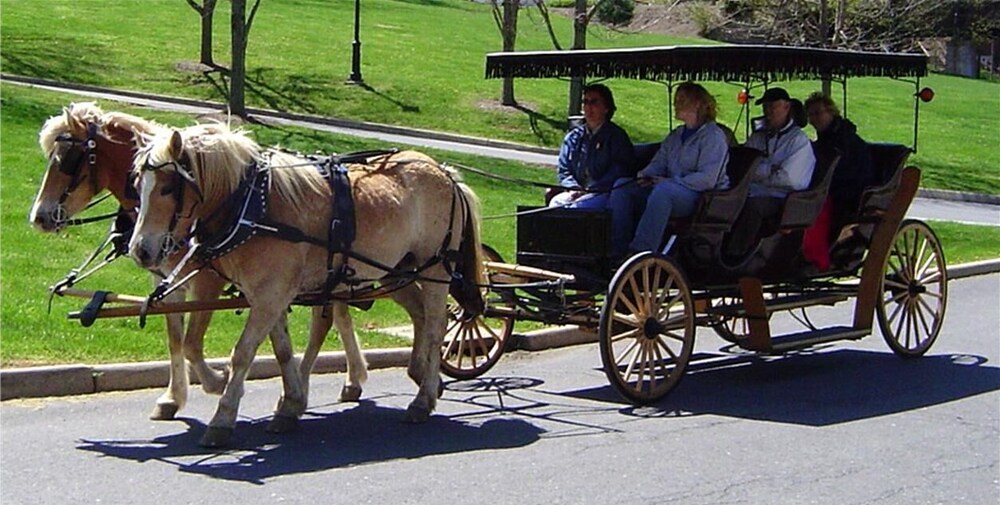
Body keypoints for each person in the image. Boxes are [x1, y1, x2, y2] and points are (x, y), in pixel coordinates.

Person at [608, 82, 730, 257]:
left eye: (682, 100)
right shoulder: (676, 135)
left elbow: (708, 178)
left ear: (697, 104)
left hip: (700, 197)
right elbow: (660, 161)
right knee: (623, 187)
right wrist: (646, 174)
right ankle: (616, 248)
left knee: (663, 192)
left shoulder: (713, 136)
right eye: (676, 99)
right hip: (670, 188)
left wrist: (672, 182)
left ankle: (641, 252)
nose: (676, 104)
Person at [723, 87, 816, 260]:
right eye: (765, 108)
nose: (768, 112)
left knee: (753, 207)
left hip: (782, 198)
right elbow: (744, 165)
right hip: (751, 190)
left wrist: (759, 170)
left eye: (773, 107)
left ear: (786, 107)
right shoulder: (759, 136)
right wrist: (769, 169)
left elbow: (789, 178)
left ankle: (736, 254)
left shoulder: (798, 140)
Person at [549, 83, 634, 209]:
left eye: (594, 102)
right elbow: (564, 170)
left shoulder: (617, 137)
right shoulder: (573, 137)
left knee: (577, 208)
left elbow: (620, 170)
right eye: (586, 102)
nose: (589, 107)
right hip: (574, 192)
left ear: (606, 108)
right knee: (554, 205)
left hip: (604, 194)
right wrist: (573, 187)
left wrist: (593, 188)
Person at [805, 91, 875, 236]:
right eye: (810, 115)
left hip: (851, 192)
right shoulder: (823, 141)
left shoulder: (846, 140)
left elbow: (844, 171)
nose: (813, 119)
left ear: (831, 112)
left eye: (818, 113)